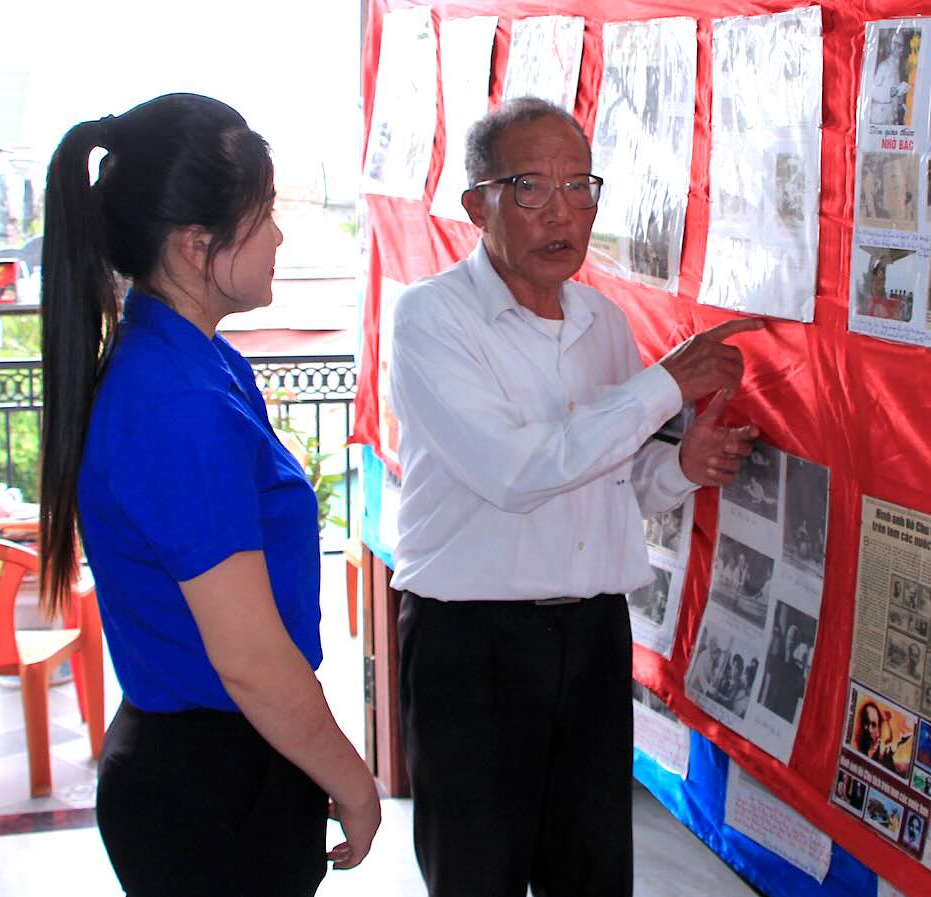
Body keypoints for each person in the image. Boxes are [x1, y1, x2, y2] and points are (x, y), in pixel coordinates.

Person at [390, 98, 763, 897]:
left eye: (579, 187)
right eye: (531, 188)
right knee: (475, 877)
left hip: (591, 636)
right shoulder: (431, 318)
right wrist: (664, 385)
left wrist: (683, 464)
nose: (563, 213)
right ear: (477, 205)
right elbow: (518, 472)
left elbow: (611, 481)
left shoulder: (603, 321)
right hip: (473, 643)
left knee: (593, 875)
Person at [39, 94, 380, 896]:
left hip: (232, 758)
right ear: (197, 246)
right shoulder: (176, 401)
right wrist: (354, 782)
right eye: (265, 215)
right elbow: (252, 660)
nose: (280, 237)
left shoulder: (196, 362)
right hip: (208, 781)